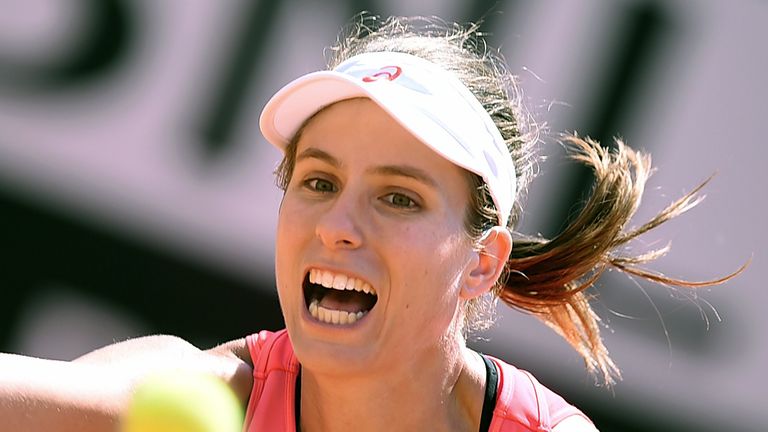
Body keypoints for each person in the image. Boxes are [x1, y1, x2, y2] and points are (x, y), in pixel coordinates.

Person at [0, 15, 742, 432]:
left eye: (399, 197)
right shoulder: (197, 391)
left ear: (481, 262)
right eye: (318, 182)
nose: (338, 226)